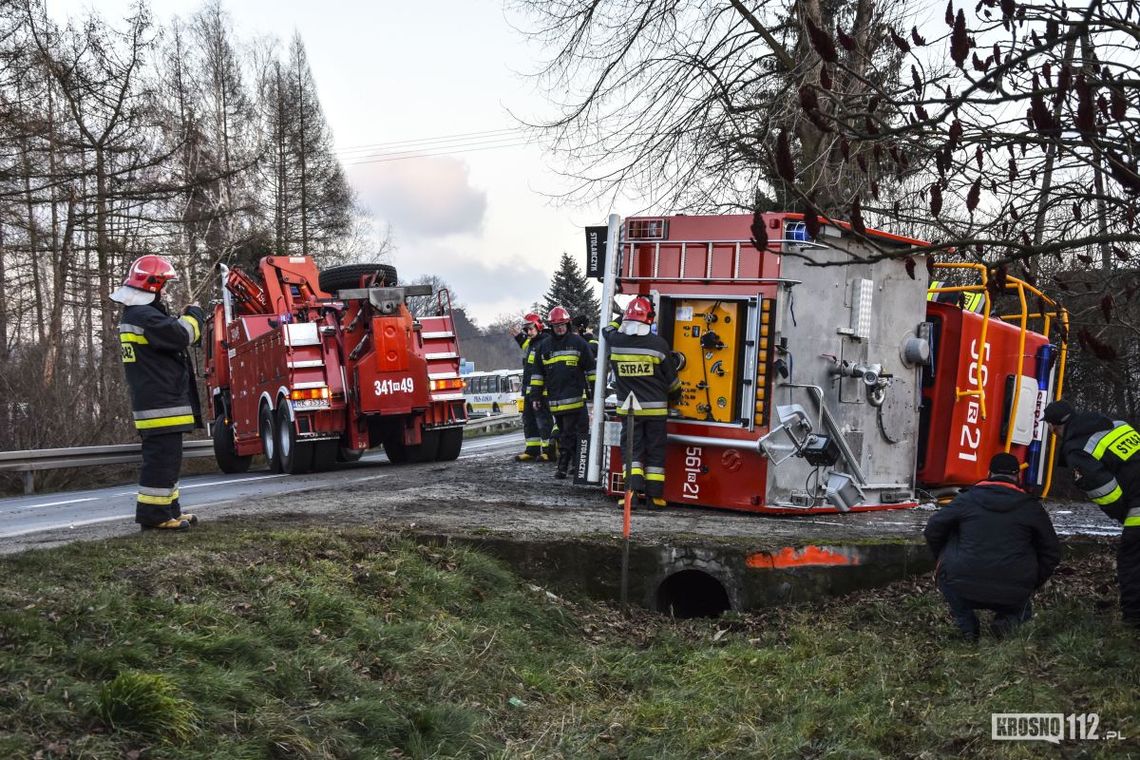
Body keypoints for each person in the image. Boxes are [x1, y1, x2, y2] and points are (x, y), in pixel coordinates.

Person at [111, 255, 205, 531]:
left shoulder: (140, 315)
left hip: (157, 403)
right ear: (152, 285)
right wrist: (195, 314)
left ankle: (170, 510)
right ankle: (156, 517)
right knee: (161, 463)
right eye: (163, 285)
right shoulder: (144, 316)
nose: (165, 291)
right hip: (160, 405)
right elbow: (182, 335)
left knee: (168, 461)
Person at [923, 452, 1061, 640]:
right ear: (1017, 476)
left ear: (989, 473)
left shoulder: (966, 499)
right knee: (1020, 607)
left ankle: (967, 627)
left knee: (949, 575)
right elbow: (1051, 551)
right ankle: (1007, 622)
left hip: (963, 582)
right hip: (1014, 586)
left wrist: (945, 557)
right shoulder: (1031, 508)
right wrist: (1033, 580)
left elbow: (933, 528)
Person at [1044, 400, 1140, 627]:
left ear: (1053, 427)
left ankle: (1134, 620)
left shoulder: (1078, 448)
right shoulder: (1116, 424)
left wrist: (1123, 515)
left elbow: (1106, 492)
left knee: (1132, 559)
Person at [603, 297, 682, 507]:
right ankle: (655, 498)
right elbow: (672, 381)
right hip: (656, 412)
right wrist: (676, 398)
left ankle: (631, 495)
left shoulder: (616, 341)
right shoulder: (659, 345)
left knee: (632, 453)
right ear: (649, 318)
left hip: (629, 412)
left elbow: (606, 330)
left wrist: (620, 317)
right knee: (655, 451)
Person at [529, 305, 595, 479]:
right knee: (565, 434)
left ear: (568, 324)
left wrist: (595, 392)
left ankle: (563, 467)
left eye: (563, 325)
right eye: (556, 326)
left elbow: (591, 368)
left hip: (576, 400)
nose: (560, 328)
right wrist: (535, 396)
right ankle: (574, 464)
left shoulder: (578, 343)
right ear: (551, 327)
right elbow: (537, 374)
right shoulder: (544, 347)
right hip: (555, 402)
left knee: (571, 433)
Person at [511, 312, 555, 462]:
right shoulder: (533, 343)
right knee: (529, 421)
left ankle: (549, 451)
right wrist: (518, 337)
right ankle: (532, 450)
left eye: (531, 329)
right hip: (529, 390)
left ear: (538, 326)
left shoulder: (546, 342)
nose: (528, 332)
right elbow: (527, 346)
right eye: (526, 330)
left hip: (541, 391)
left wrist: (541, 390)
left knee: (543, 421)